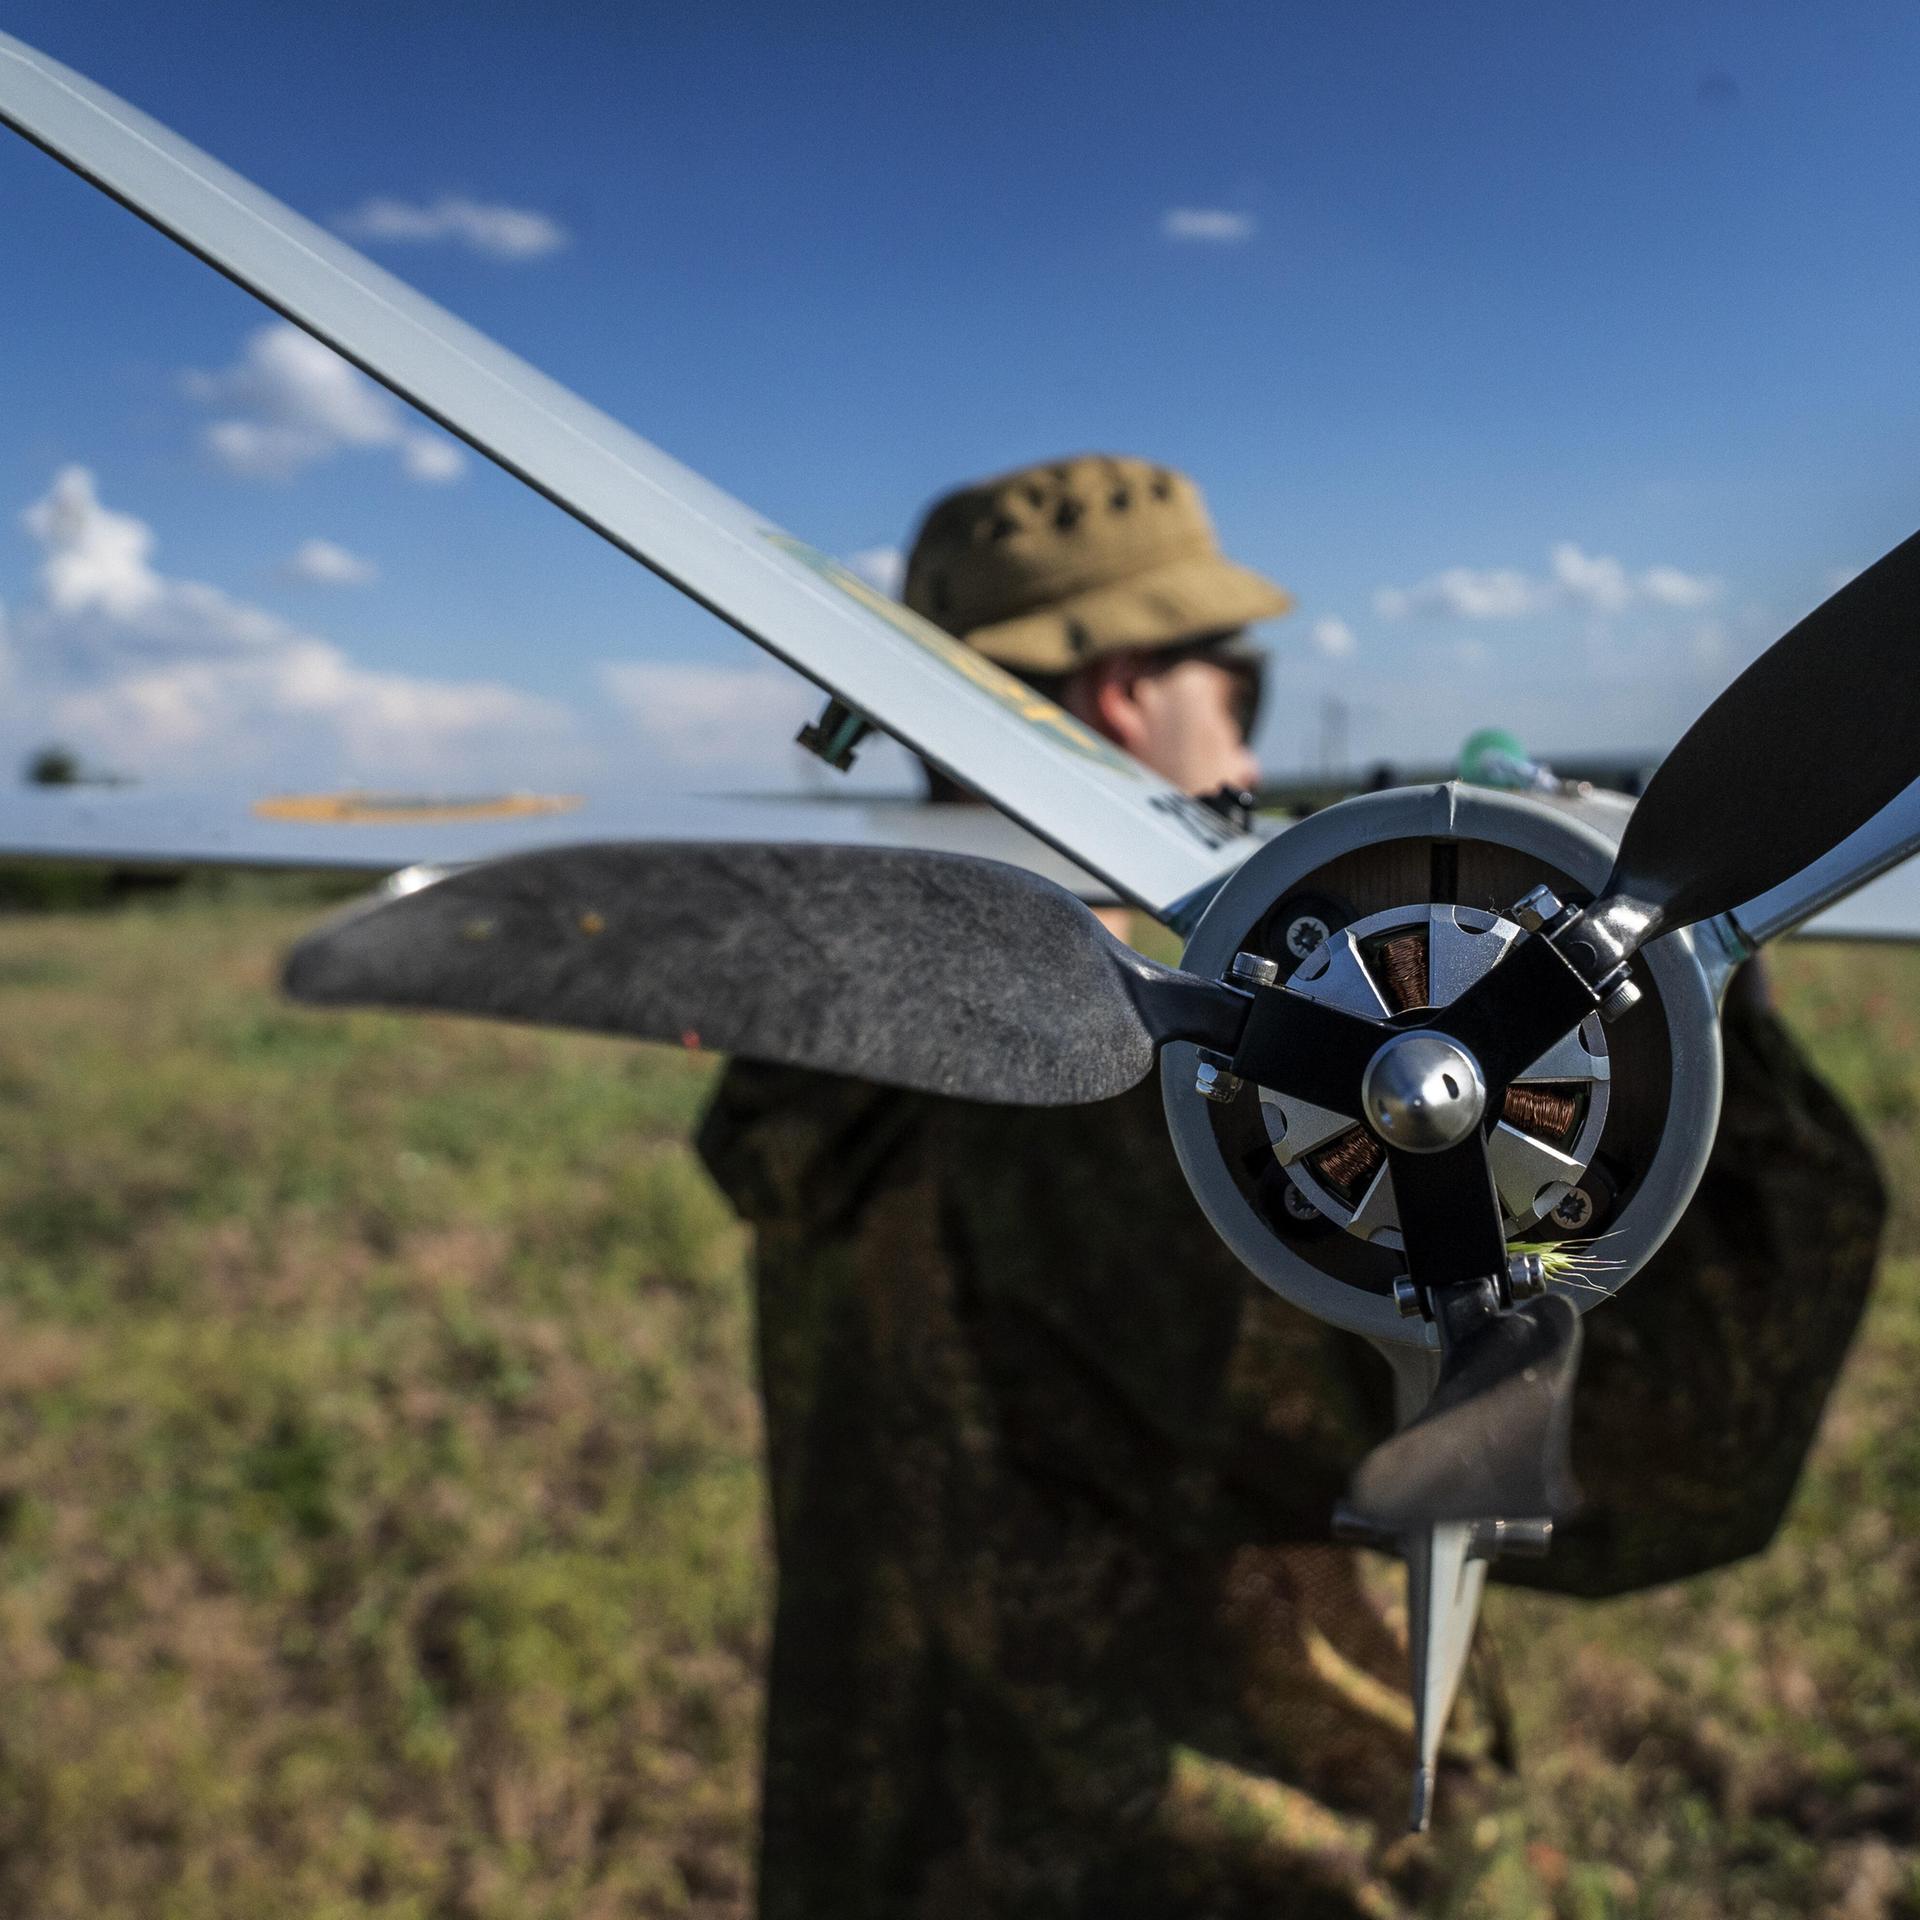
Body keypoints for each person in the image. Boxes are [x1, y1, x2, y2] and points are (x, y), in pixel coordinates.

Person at [697, 454, 1885, 1918]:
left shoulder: (856, 1022)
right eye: (1235, 682)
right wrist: (1684, 1012)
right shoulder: (1155, 1099)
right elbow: (1682, 1457)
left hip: (882, 1838)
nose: (1245, 724)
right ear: (1128, 691)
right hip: (1202, 1868)